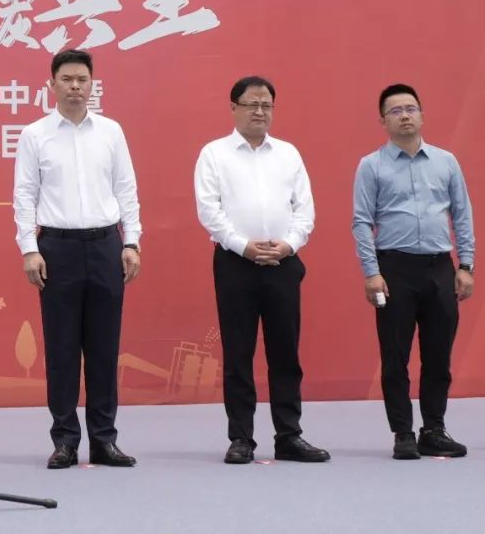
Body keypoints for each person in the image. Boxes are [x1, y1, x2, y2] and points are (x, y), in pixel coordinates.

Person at [13, 49, 141, 470]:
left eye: (82, 79)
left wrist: (131, 241)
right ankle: (65, 440)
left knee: (104, 349)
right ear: (51, 85)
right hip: (57, 249)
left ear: (92, 85)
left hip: (106, 246)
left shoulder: (111, 132)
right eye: (66, 79)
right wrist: (29, 249)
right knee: (62, 349)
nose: (74, 86)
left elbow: (126, 189)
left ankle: (104, 440)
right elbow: (24, 195)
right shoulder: (35, 135)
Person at [193, 75, 330, 464]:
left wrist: (288, 245)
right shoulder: (214, 154)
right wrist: (244, 246)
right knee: (238, 354)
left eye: (266, 105)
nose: (259, 112)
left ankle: (289, 435)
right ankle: (241, 438)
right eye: (251, 104)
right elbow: (209, 210)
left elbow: (304, 210)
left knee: (285, 353)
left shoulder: (288, 153)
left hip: (283, 264)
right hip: (235, 263)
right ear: (233, 108)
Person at [352, 83, 474, 460]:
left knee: (438, 356)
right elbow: (361, 222)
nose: (404, 116)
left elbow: (462, 214)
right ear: (383, 121)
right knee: (395, 356)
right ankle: (402, 432)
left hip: (440, 268)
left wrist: (465, 264)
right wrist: (371, 272)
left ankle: (433, 429)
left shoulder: (446, 162)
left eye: (410, 108)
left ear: (422, 115)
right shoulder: (371, 165)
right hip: (394, 270)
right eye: (395, 111)